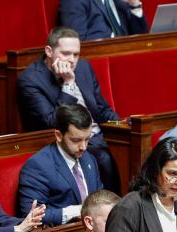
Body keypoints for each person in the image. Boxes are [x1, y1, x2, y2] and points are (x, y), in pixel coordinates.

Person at [17, 27, 120, 193]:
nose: (72, 60)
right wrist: (68, 84)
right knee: (104, 158)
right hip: (71, 140)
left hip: (101, 135)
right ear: (49, 51)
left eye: (76, 54)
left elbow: (101, 108)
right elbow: (51, 122)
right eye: (65, 53)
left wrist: (123, 124)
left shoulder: (84, 68)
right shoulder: (30, 80)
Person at [18, 104, 102, 226]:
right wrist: (75, 211)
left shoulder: (89, 159)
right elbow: (31, 215)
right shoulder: (37, 166)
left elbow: (99, 196)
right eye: (76, 140)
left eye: (87, 139)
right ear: (58, 135)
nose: (83, 147)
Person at [59, 0, 148, 40]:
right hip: (100, 61)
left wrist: (134, 4)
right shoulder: (74, 1)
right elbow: (76, 42)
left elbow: (142, 38)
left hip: (130, 56)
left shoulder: (120, 2)